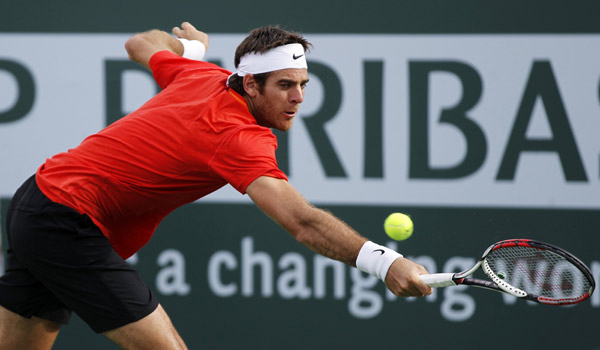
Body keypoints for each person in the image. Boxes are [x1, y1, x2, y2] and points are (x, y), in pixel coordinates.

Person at [0, 22, 432, 349]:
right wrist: (384, 262)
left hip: (36, 197)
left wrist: (190, 49)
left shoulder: (199, 74)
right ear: (250, 83)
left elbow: (139, 44)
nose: (298, 98)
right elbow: (302, 222)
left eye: (302, 85)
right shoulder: (239, 137)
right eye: (284, 86)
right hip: (67, 220)